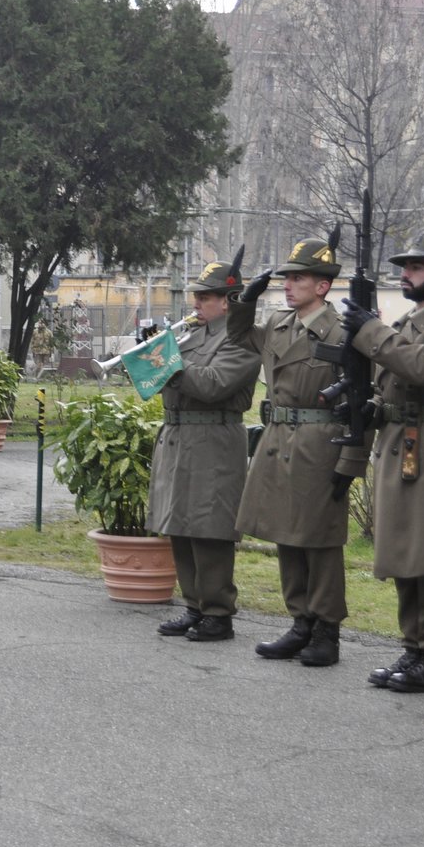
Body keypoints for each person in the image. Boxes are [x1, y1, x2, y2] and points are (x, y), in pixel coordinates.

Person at [341, 228, 424, 693]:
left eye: (416, 267)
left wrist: (369, 330)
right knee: (404, 549)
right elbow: (391, 382)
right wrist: (370, 407)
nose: (405, 273)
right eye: (405, 266)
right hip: (399, 439)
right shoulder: (409, 321)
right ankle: (415, 647)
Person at [228, 238, 368, 666]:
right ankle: (300, 621)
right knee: (287, 536)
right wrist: (243, 300)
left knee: (320, 541)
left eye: (299, 278)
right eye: (287, 277)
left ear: (323, 286)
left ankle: (327, 630)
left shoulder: (344, 332)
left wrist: (353, 460)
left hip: (320, 444)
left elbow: (363, 400)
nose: (289, 285)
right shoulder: (278, 324)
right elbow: (236, 333)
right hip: (278, 439)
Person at [149, 257, 262, 642]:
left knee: (209, 527)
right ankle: (194, 605)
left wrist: (170, 364)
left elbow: (214, 385)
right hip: (180, 438)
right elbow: (163, 384)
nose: (196, 302)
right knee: (180, 524)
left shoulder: (240, 339)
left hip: (214, 439)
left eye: (205, 296)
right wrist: (149, 358)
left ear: (228, 300)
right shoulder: (194, 336)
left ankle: (217, 611)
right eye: (197, 295)